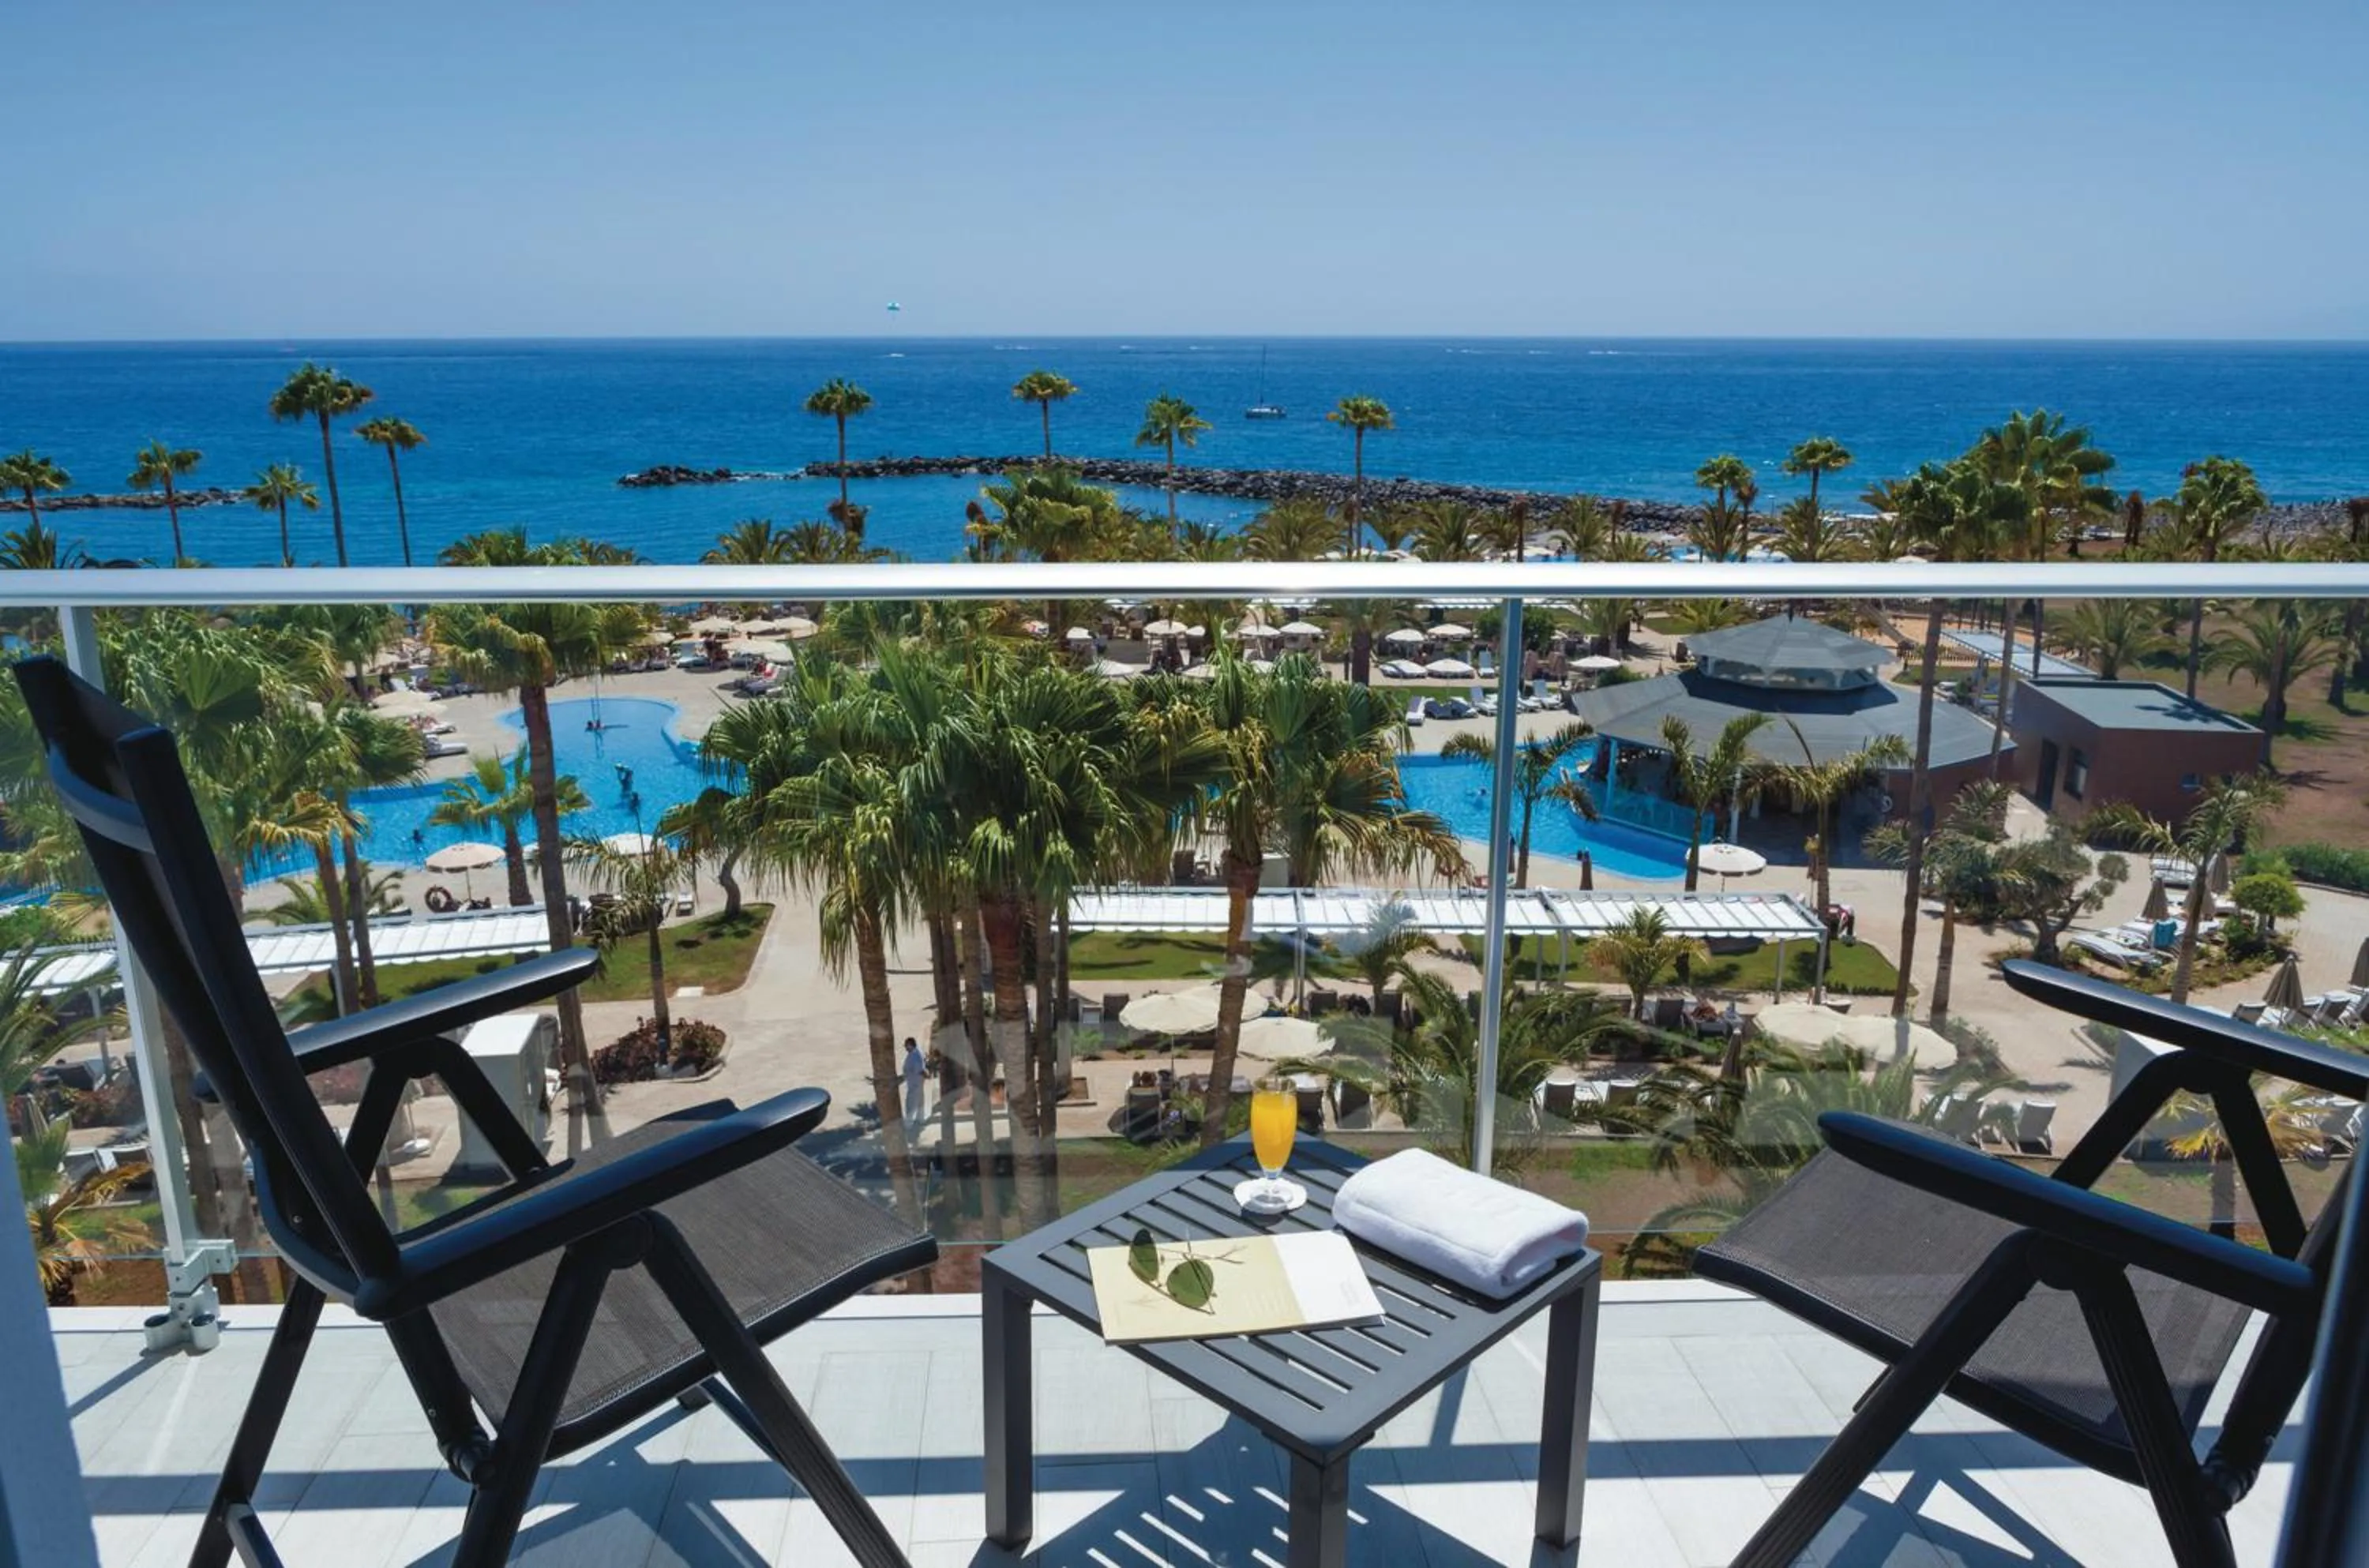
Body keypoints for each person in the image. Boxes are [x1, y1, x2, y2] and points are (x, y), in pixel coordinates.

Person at [901, 1037, 926, 1123]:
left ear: (911, 1045)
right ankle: (920, 1119)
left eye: (907, 1046)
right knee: (919, 1102)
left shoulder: (915, 1055)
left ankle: (908, 1124)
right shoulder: (914, 1053)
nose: (905, 1048)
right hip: (916, 1083)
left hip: (915, 1084)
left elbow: (919, 1070)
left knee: (911, 1104)